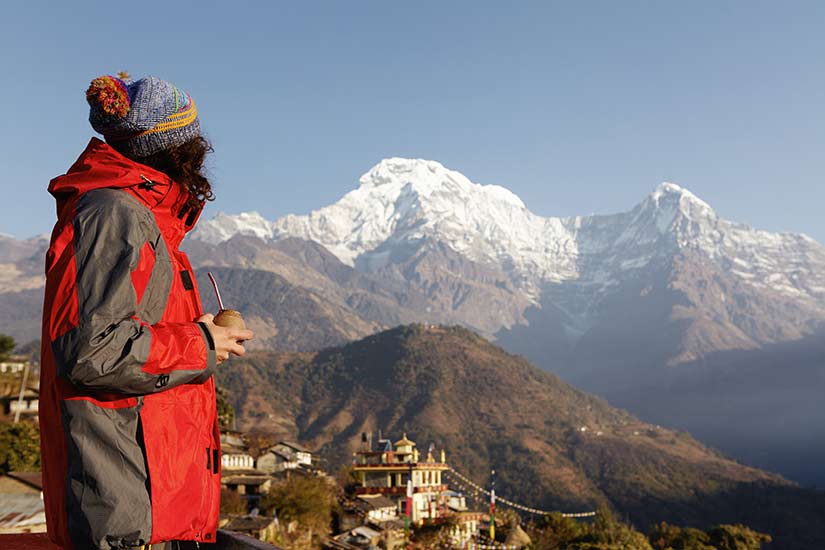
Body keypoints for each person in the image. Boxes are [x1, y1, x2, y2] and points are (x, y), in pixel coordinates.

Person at [39, 73, 254, 549]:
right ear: (177, 150)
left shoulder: (144, 218)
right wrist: (201, 344)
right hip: (122, 510)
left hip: (146, 502)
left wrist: (198, 336)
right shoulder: (114, 214)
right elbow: (92, 350)